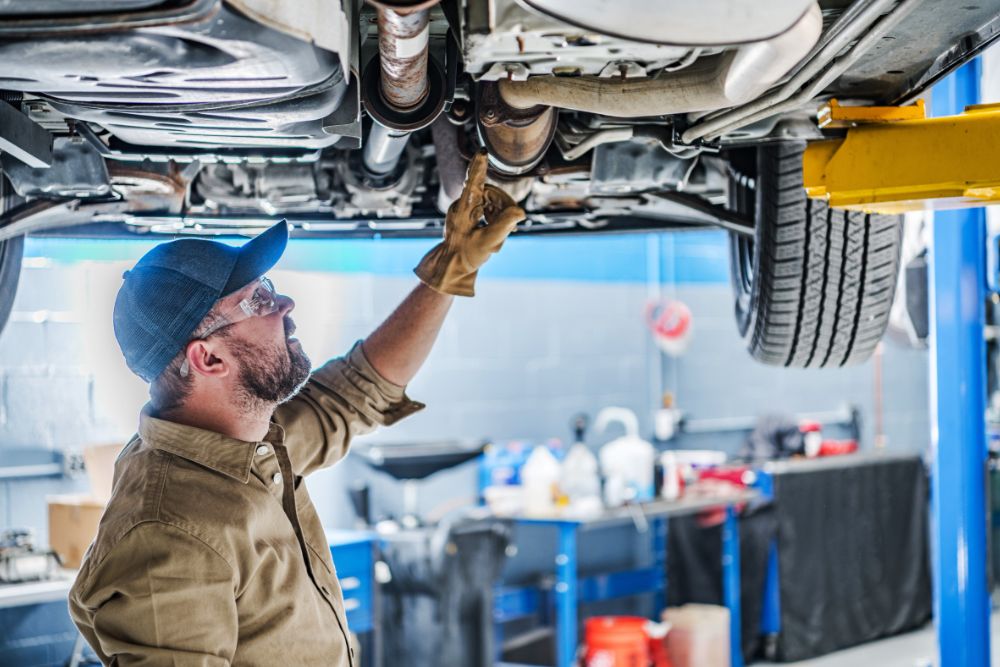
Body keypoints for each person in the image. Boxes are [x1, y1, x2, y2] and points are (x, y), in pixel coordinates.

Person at [68, 152, 524, 666]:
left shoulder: (253, 438)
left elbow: (355, 390)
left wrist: (450, 268)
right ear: (209, 357)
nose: (284, 305)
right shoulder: (168, 533)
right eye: (258, 301)